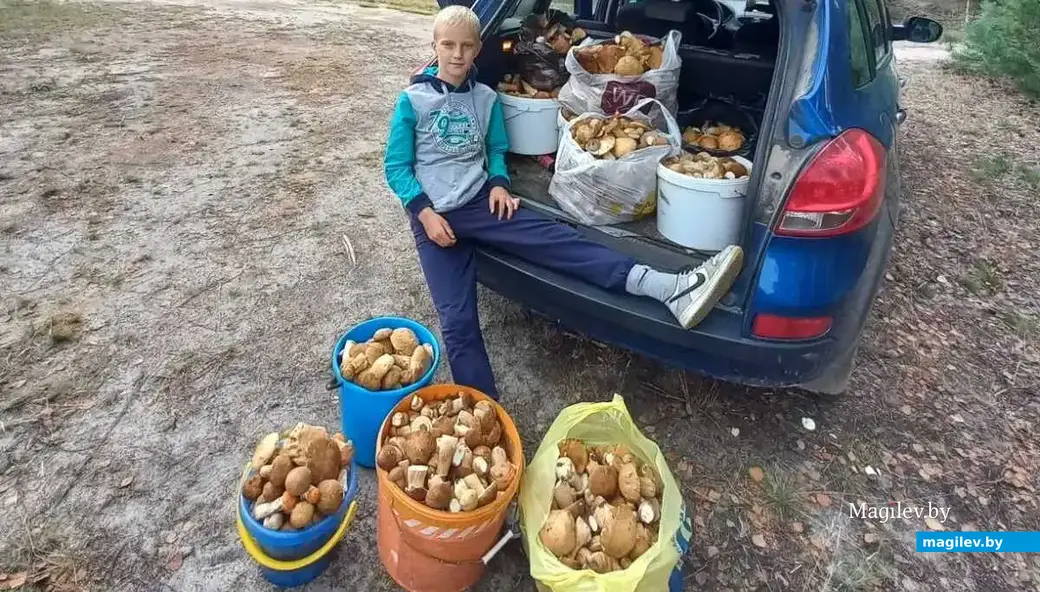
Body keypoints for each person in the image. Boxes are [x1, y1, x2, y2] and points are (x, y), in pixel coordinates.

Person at [383, 5, 744, 400]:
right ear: (434, 46)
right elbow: (396, 166)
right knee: (457, 320)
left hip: (479, 205)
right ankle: (483, 411)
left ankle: (666, 287)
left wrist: (500, 184)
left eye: (466, 46)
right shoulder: (413, 100)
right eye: (448, 45)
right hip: (435, 218)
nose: (457, 54)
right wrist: (423, 212)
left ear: (478, 49)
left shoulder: (486, 98)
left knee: (558, 242)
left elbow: (496, 148)